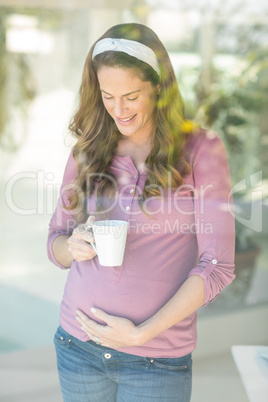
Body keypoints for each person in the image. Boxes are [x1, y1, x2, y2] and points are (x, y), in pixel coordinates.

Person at [47, 22, 235, 402]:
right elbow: (55, 242)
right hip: (77, 346)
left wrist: (141, 332)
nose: (119, 109)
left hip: (156, 360)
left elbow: (218, 266)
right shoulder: (88, 150)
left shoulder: (201, 149)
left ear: (159, 89)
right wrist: (74, 246)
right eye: (107, 96)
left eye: (131, 96)